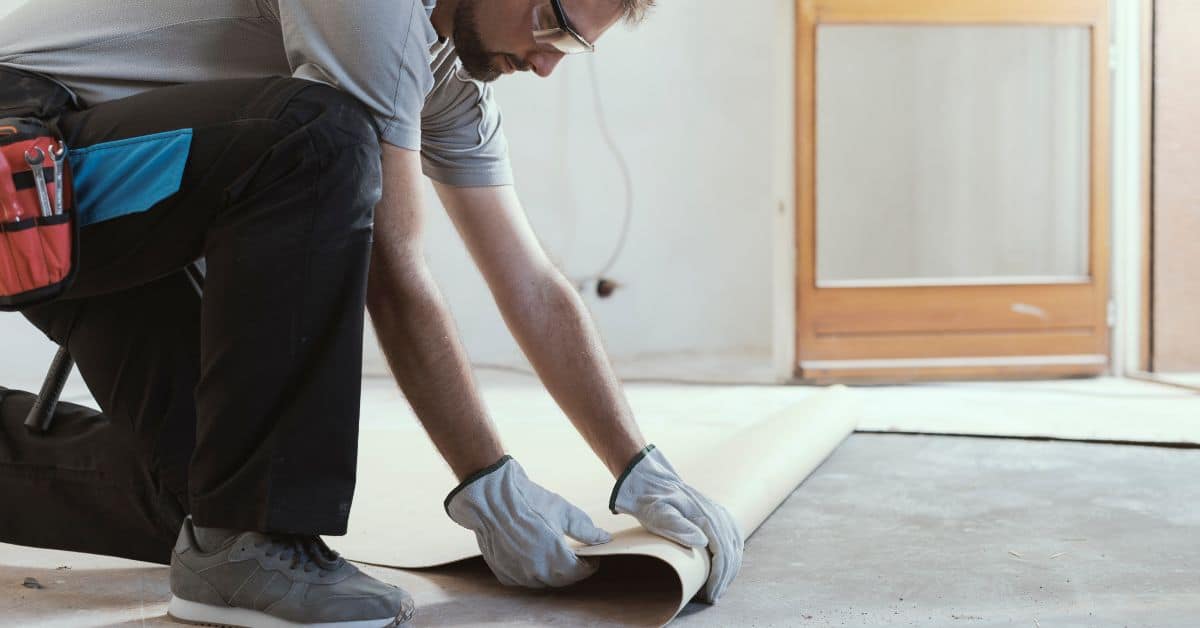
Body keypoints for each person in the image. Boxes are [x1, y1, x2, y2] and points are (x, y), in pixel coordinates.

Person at [0, 1, 744, 626]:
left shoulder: (443, 76)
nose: (549, 63)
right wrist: (485, 479)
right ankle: (253, 545)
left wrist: (637, 465)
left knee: (207, 489)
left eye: (574, 45)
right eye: (551, 23)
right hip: (21, 156)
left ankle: (234, 539)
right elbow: (392, 264)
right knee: (316, 139)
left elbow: (530, 281)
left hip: (96, 194)